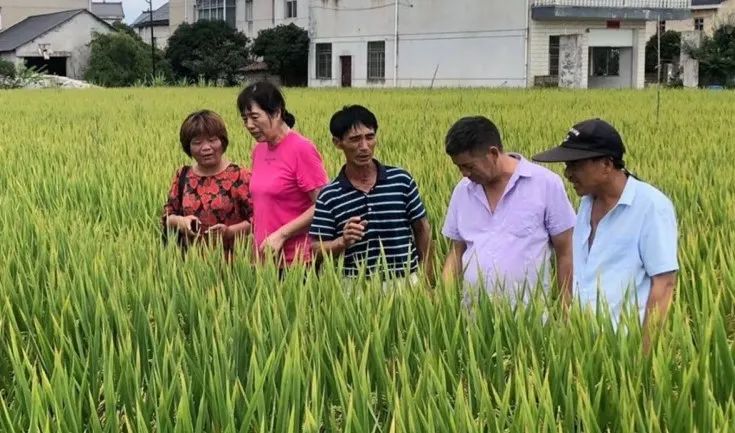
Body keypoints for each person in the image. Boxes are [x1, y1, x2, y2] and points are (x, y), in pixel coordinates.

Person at [531, 118, 678, 350]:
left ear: (607, 165)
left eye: (575, 165)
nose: (568, 174)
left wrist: (645, 356)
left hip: (625, 347)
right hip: (583, 346)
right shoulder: (586, 204)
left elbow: (664, 283)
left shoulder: (651, 206)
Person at [441, 116, 575, 307]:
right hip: (472, 318)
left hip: (529, 318)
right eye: (459, 167)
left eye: (468, 166)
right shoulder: (463, 191)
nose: (464, 173)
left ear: (493, 153)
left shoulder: (545, 184)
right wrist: (441, 301)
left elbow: (565, 253)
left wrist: (566, 310)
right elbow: (456, 251)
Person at [309, 105, 432, 288]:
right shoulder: (330, 195)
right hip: (356, 288)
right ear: (337, 142)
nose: (364, 147)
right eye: (355, 139)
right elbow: (316, 249)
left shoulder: (401, 180)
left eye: (370, 137)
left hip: (406, 282)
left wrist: (428, 281)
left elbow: (422, 229)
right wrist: (341, 241)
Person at [237, 81, 329, 269]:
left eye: (255, 117)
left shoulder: (301, 149)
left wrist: (282, 234)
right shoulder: (259, 150)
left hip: (298, 261)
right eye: (245, 119)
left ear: (277, 112)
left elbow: (325, 204)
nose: (249, 125)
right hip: (264, 259)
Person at [162, 110, 253, 260]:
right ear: (188, 147)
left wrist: (230, 231)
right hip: (191, 264)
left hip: (236, 265)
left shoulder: (241, 176)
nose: (206, 147)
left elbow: (260, 219)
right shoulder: (183, 175)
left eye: (212, 140)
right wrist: (180, 221)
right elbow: (167, 215)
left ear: (222, 142)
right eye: (197, 143)